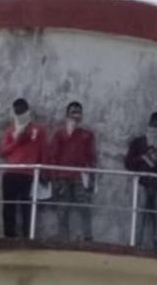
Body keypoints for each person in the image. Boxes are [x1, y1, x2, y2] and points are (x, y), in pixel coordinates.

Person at [125, 112, 157, 250]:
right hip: (142, 183)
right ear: (149, 125)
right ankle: (136, 246)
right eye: (155, 125)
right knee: (139, 216)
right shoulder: (138, 142)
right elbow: (128, 163)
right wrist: (143, 157)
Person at [0, 98, 47, 238]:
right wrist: (18, 140)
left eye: (22, 110)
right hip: (11, 172)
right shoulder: (10, 131)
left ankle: (28, 236)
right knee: (9, 206)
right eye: (17, 110)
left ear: (28, 110)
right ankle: (9, 236)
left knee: (28, 207)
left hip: (29, 174)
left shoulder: (38, 130)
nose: (19, 113)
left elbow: (43, 151)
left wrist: (43, 172)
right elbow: (3, 151)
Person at [49, 102, 96, 242]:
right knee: (63, 209)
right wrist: (54, 179)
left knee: (85, 207)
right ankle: (64, 240)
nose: (76, 115)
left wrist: (92, 177)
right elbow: (53, 156)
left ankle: (88, 238)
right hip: (62, 176)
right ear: (67, 115)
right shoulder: (59, 134)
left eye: (78, 112)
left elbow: (91, 157)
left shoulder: (87, 135)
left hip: (80, 176)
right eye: (73, 112)